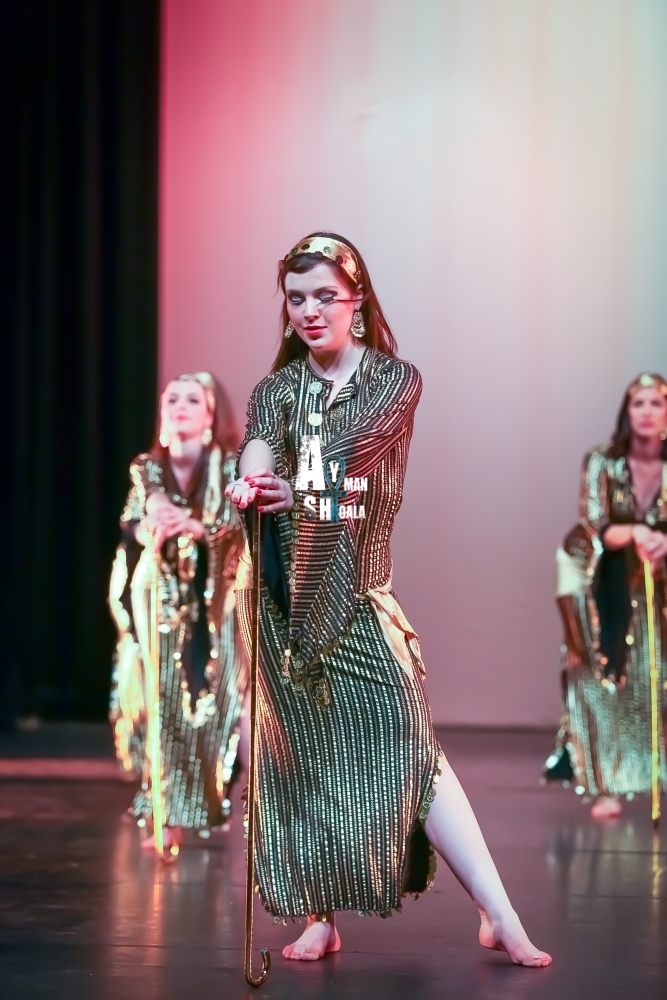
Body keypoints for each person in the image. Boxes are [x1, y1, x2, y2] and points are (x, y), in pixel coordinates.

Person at [226, 232, 551, 966]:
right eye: (297, 298)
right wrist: (249, 476)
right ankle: (319, 917)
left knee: (412, 747)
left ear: (358, 301)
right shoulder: (277, 390)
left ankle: (497, 912)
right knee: (301, 762)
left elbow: (356, 449)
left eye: (325, 296)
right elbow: (260, 440)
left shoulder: (393, 380)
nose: (310, 311)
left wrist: (292, 488)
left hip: (356, 597)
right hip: (279, 602)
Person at [109, 372, 247, 850]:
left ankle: (209, 802)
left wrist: (193, 525)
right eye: (172, 399)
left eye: (192, 400)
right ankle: (163, 810)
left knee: (219, 703)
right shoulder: (148, 467)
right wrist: (152, 525)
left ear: (210, 415)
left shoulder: (229, 467)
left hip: (216, 602)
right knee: (163, 699)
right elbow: (134, 521)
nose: (180, 407)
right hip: (162, 598)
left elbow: (232, 527)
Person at [544, 373, 667, 819]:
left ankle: (649, 775)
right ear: (626, 412)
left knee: (652, 672)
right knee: (596, 673)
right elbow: (594, 522)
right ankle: (602, 783)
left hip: (651, 578)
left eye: (656, 403)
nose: (647, 412)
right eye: (639, 404)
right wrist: (635, 533)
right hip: (596, 577)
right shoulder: (603, 460)